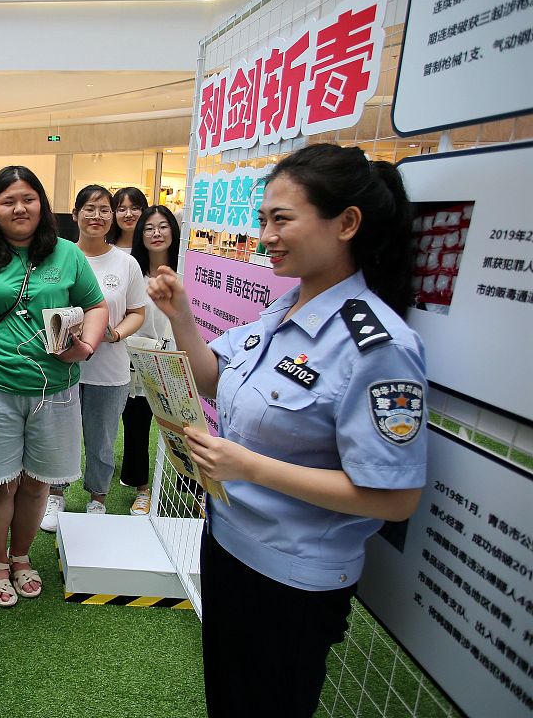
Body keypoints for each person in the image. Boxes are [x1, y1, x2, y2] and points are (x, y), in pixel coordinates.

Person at [145, 143, 427, 716]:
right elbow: (210, 378)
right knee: (228, 696)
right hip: (227, 543)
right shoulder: (284, 309)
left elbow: (394, 498)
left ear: (346, 223)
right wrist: (180, 316)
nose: (267, 236)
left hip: (293, 578)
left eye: (282, 219)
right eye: (262, 221)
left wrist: (247, 466)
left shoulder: (378, 346)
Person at [0, 165, 107, 607]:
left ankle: (21, 556)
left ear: (42, 204)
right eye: (8, 200)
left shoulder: (68, 254)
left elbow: (96, 305)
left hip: (56, 389)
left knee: (36, 483)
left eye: (28, 198)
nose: (19, 207)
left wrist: (87, 345)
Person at [42, 185, 145, 527]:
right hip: (63, 367)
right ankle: (55, 495)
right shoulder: (58, 257)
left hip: (109, 368)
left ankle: (97, 498)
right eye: (89, 208)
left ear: (112, 216)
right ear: (75, 215)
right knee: (61, 433)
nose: (96, 216)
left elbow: (137, 312)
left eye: (104, 209)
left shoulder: (126, 263)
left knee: (101, 440)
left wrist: (116, 333)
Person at [120, 204, 182, 515]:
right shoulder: (133, 272)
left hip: (178, 365)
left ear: (174, 231)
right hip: (138, 363)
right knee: (136, 428)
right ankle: (142, 489)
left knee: (184, 429)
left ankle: (190, 489)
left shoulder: (187, 271)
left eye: (163, 227)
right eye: (149, 228)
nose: (156, 233)